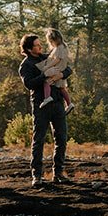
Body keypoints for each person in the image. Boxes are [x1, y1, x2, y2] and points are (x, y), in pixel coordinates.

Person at [17, 33, 66, 186]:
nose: (41, 46)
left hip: (57, 102)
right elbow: (29, 84)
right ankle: (36, 176)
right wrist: (44, 75)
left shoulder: (48, 57)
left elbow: (68, 69)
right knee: (39, 140)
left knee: (61, 138)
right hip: (40, 105)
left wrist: (61, 74)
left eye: (40, 44)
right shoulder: (25, 65)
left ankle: (58, 173)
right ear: (29, 49)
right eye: (37, 45)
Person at [36, 28, 74, 112]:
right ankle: (69, 103)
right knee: (62, 88)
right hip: (60, 70)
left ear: (53, 40)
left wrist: (47, 66)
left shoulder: (59, 48)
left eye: (50, 42)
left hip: (56, 70)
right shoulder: (63, 47)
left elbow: (57, 59)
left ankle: (47, 97)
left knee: (46, 82)